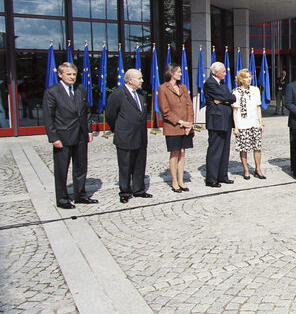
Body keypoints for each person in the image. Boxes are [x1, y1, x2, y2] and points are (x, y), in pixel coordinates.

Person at [42, 62, 97, 209]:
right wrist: (53, 138)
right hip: (63, 136)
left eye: (74, 74)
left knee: (81, 167)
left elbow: (86, 112)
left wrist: (89, 130)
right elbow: (48, 117)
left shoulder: (80, 89)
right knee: (62, 170)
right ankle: (62, 199)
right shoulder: (52, 92)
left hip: (80, 135)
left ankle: (80, 195)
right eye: (68, 74)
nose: (72, 77)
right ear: (60, 75)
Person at [106, 68, 151, 204]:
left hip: (140, 135)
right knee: (125, 165)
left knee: (139, 163)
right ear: (130, 80)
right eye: (139, 78)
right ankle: (125, 191)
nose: (142, 80)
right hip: (125, 136)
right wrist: (118, 129)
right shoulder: (118, 94)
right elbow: (110, 115)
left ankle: (139, 190)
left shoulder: (141, 94)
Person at [157, 63, 194, 193]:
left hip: (186, 127)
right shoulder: (163, 89)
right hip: (173, 126)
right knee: (174, 153)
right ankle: (174, 181)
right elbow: (165, 110)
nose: (181, 74)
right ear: (171, 73)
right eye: (178, 72)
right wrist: (181, 122)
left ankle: (181, 180)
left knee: (183, 153)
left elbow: (189, 105)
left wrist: (189, 123)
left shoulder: (183, 87)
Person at [203, 61, 236, 188]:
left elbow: (231, 97)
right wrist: (226, 98)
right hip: (216, 120)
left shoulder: (221, 83)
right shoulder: (210, 83)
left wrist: (223, 100)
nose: (225, 73)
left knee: (225, 149)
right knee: (215, 149)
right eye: (223, 71)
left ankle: (222, 175)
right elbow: (225, 96)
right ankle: (211, 178)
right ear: (215, 72)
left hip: (226, 120)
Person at [232, 69, 266, 180]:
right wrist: (235, 127)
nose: (249, 79)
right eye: (246, 77)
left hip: (254, 123)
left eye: (250, 76)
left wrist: (260, 123)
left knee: (257, 147)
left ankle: (258, 169)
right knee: (244, 148)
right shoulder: (236, 92)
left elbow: (258, 107)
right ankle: (246, 170)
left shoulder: (255, 90)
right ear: (241, 79)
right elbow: (235, 110)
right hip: (242, 123)